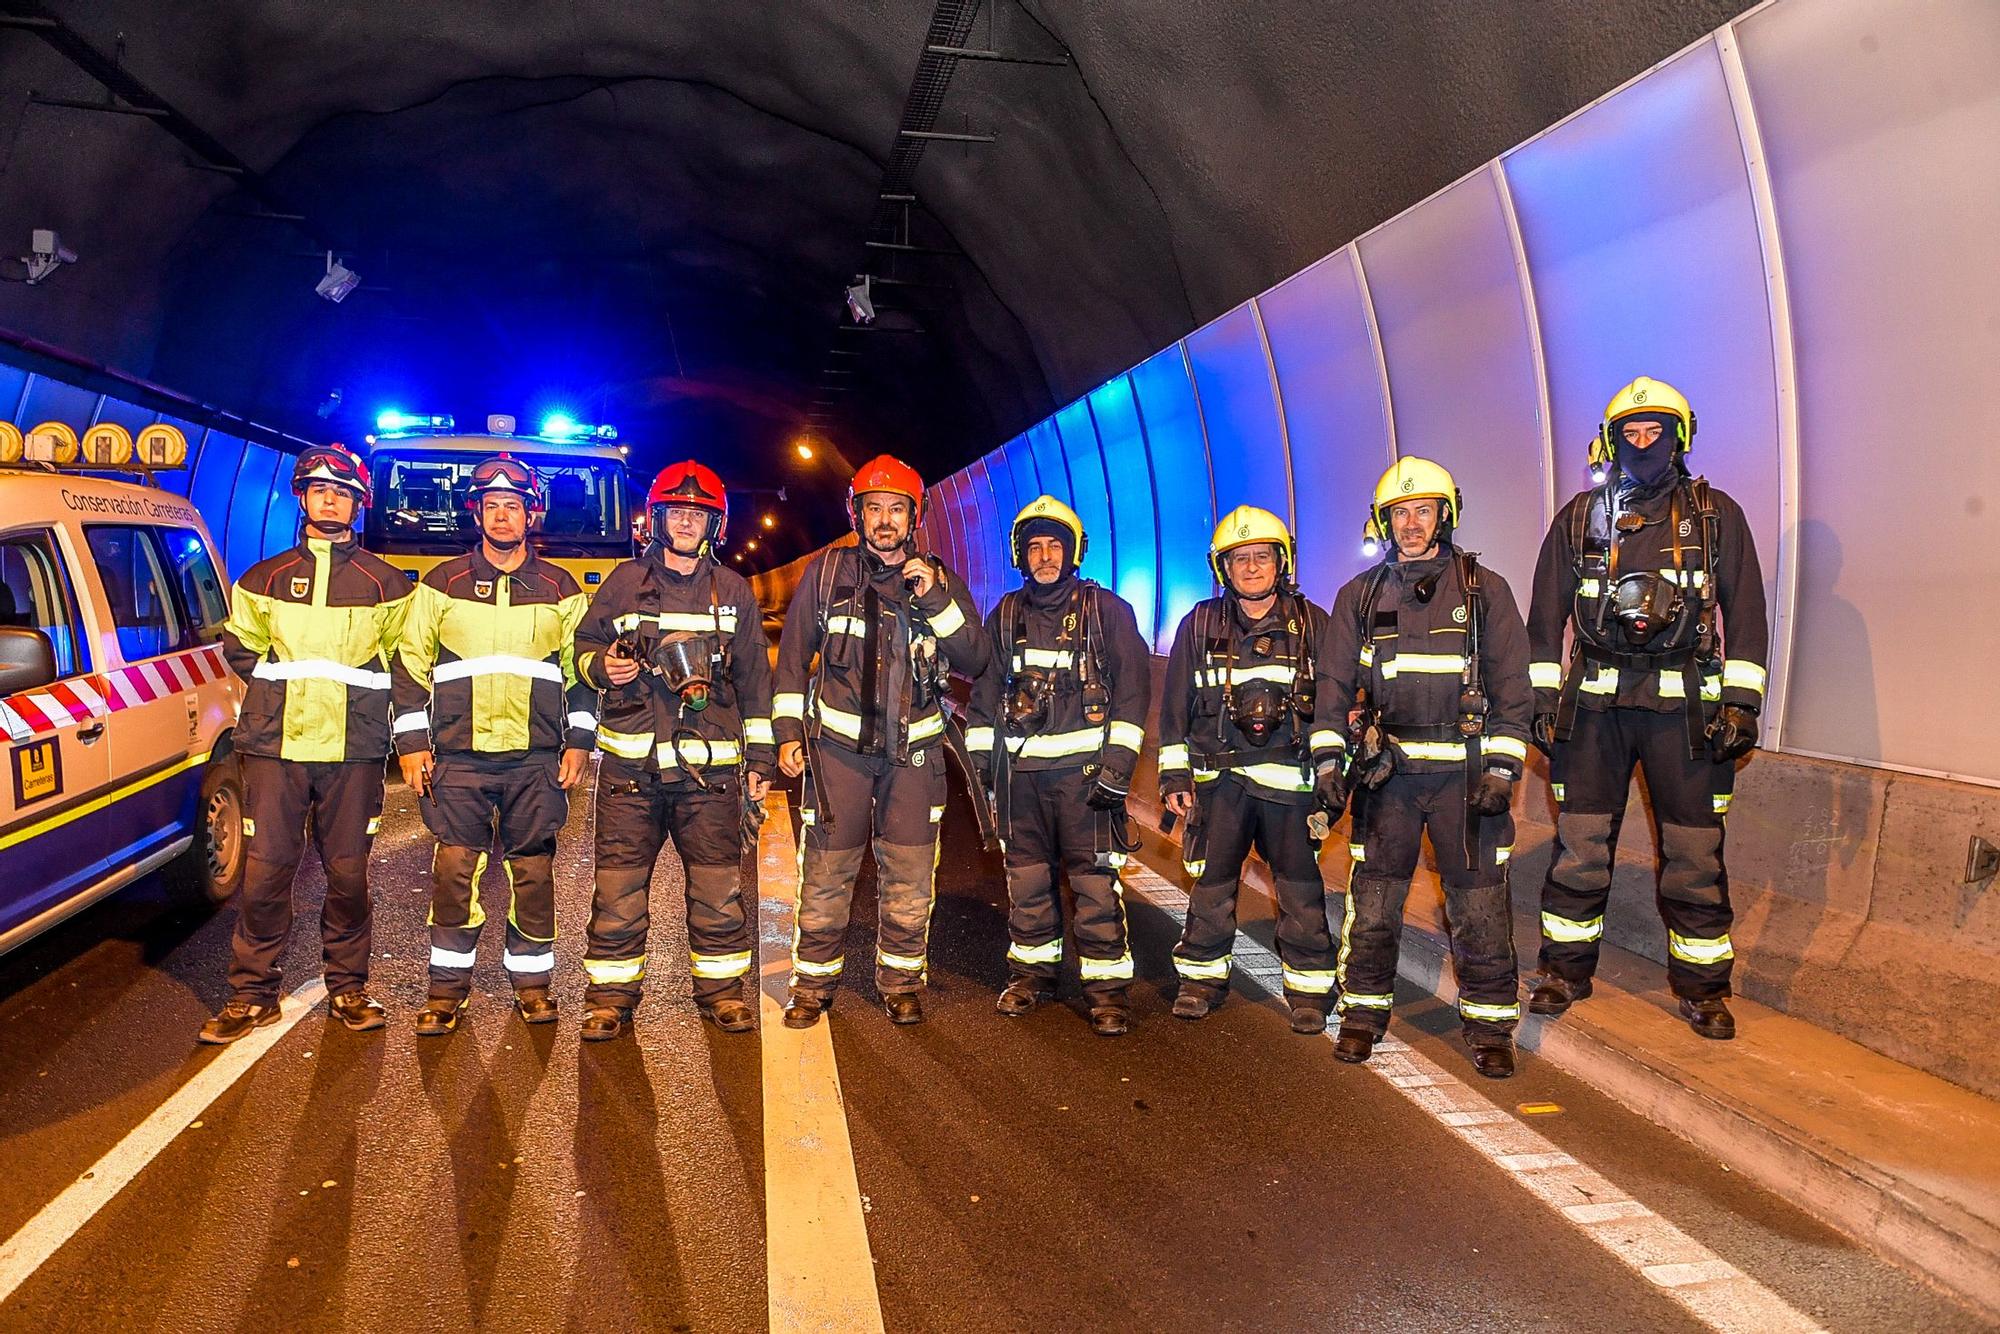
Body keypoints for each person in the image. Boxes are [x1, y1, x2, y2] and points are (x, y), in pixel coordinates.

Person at [1527, 377, 1768, 1040]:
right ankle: (1563, 972)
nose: (1642, 443)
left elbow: (1746, 612)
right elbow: (1544, 617)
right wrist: (1542, 701)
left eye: (1654, 431)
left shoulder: (1715, 517)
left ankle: (1702, 989)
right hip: (1596, 712)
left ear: (1678, 437)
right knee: (1580, 848)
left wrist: (1743, 703)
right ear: (1610, 442)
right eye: (1629, 434)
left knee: (1693, 853)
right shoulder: (1579, 518)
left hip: (1685, 713)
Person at [1317, 458, 1532, 1078]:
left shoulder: (1483, 590)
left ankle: (1491, 1027)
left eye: (1423, 511)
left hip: (1466, 784)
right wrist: (1332, 760)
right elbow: (1332, 687)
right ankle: (1361, 1016)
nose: (1411, 524)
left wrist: (1503, 767)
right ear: (1384, 521)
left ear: (1445, 514)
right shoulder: (1358, 597)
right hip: (1390, 781)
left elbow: (1513, 686)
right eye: (1399, 514)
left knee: (1480, 906)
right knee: (1376, 902)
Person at [200, 444, 411, 1043]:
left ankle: (347, 986)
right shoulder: (261, 578)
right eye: (319, 490)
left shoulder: (387, 584)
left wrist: (394, 730)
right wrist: (279, 692)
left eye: (341, 492)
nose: (329, 499)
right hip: (275, 747)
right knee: (266, 874)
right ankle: (250, 994)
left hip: (355, 749)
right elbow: (241, 646)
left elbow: (404, 662)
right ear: (301, 496)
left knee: (348, 876)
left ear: (357, 503)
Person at [773, 454, 991, 1028]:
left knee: (911, 876)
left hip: (913, 759)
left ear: (913, 518)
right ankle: (813, 985)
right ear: (858, 514)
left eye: (897, 509)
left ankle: (899, 981)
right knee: (825, 873)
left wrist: (935, 602)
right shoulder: (825, 575)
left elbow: (974, 657)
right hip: (839, 756)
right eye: (875, 509)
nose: (885, 520)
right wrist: (788, 734)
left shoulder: (938, 579)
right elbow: (793, 661)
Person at [570, 461, 775, 1040]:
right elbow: (582, 649)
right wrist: (601, 666)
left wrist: (760, 762)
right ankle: (610, 999)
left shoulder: (733, 591)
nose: (686, 522)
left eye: (697, 514)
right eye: (676, 512)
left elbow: (756, 681)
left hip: (708, 772)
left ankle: (722, 993)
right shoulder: (622, 583)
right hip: (630, 772)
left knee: (717, 889)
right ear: (657, 519)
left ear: (715, 524)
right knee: (617, 889)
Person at [390, 455, 595, 1035]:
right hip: (457, 757)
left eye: (514, 506)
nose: (503, 516)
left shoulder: (561, 588)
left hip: (536, 758)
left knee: (533, 873)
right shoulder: (440, 585)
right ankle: (446, 991)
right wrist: (411, 744)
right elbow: (409, 666)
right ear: (477, 513)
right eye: (492, 506)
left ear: (531, 514)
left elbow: (579, 672)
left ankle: (532, 987)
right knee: (454, 871)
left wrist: (578, 741)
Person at [965, 496, 1152, 1036]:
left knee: (1094, 884)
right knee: (1027, 883)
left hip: (1086, 782)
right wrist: (983, 766)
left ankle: (1107, 992)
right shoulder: (1006, 614)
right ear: (1021, 555)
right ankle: (1031, 978)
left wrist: (1117, 766)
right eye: (1035, 547)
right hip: (1021, 782)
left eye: (1055, 546)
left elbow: (1133, 695)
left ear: (1074, 552)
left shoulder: (1107, 612)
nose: (1045, 556)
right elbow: (983, 697)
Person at [1157, 505, 1339, 1034]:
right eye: (1240, 559)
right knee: (1211, 884)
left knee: (1300, 888)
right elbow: (1175, 710)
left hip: (1291, 784)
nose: (1252, 567)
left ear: (1280, 563)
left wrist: (1333, 774)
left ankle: (1308, 992)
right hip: (1222, 785)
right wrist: (1174, 777)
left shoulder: (1312, 624)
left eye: (1262, 556)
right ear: (1223, 568)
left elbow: (1335, 705)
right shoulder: (1200, 624)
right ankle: (1200, 981)